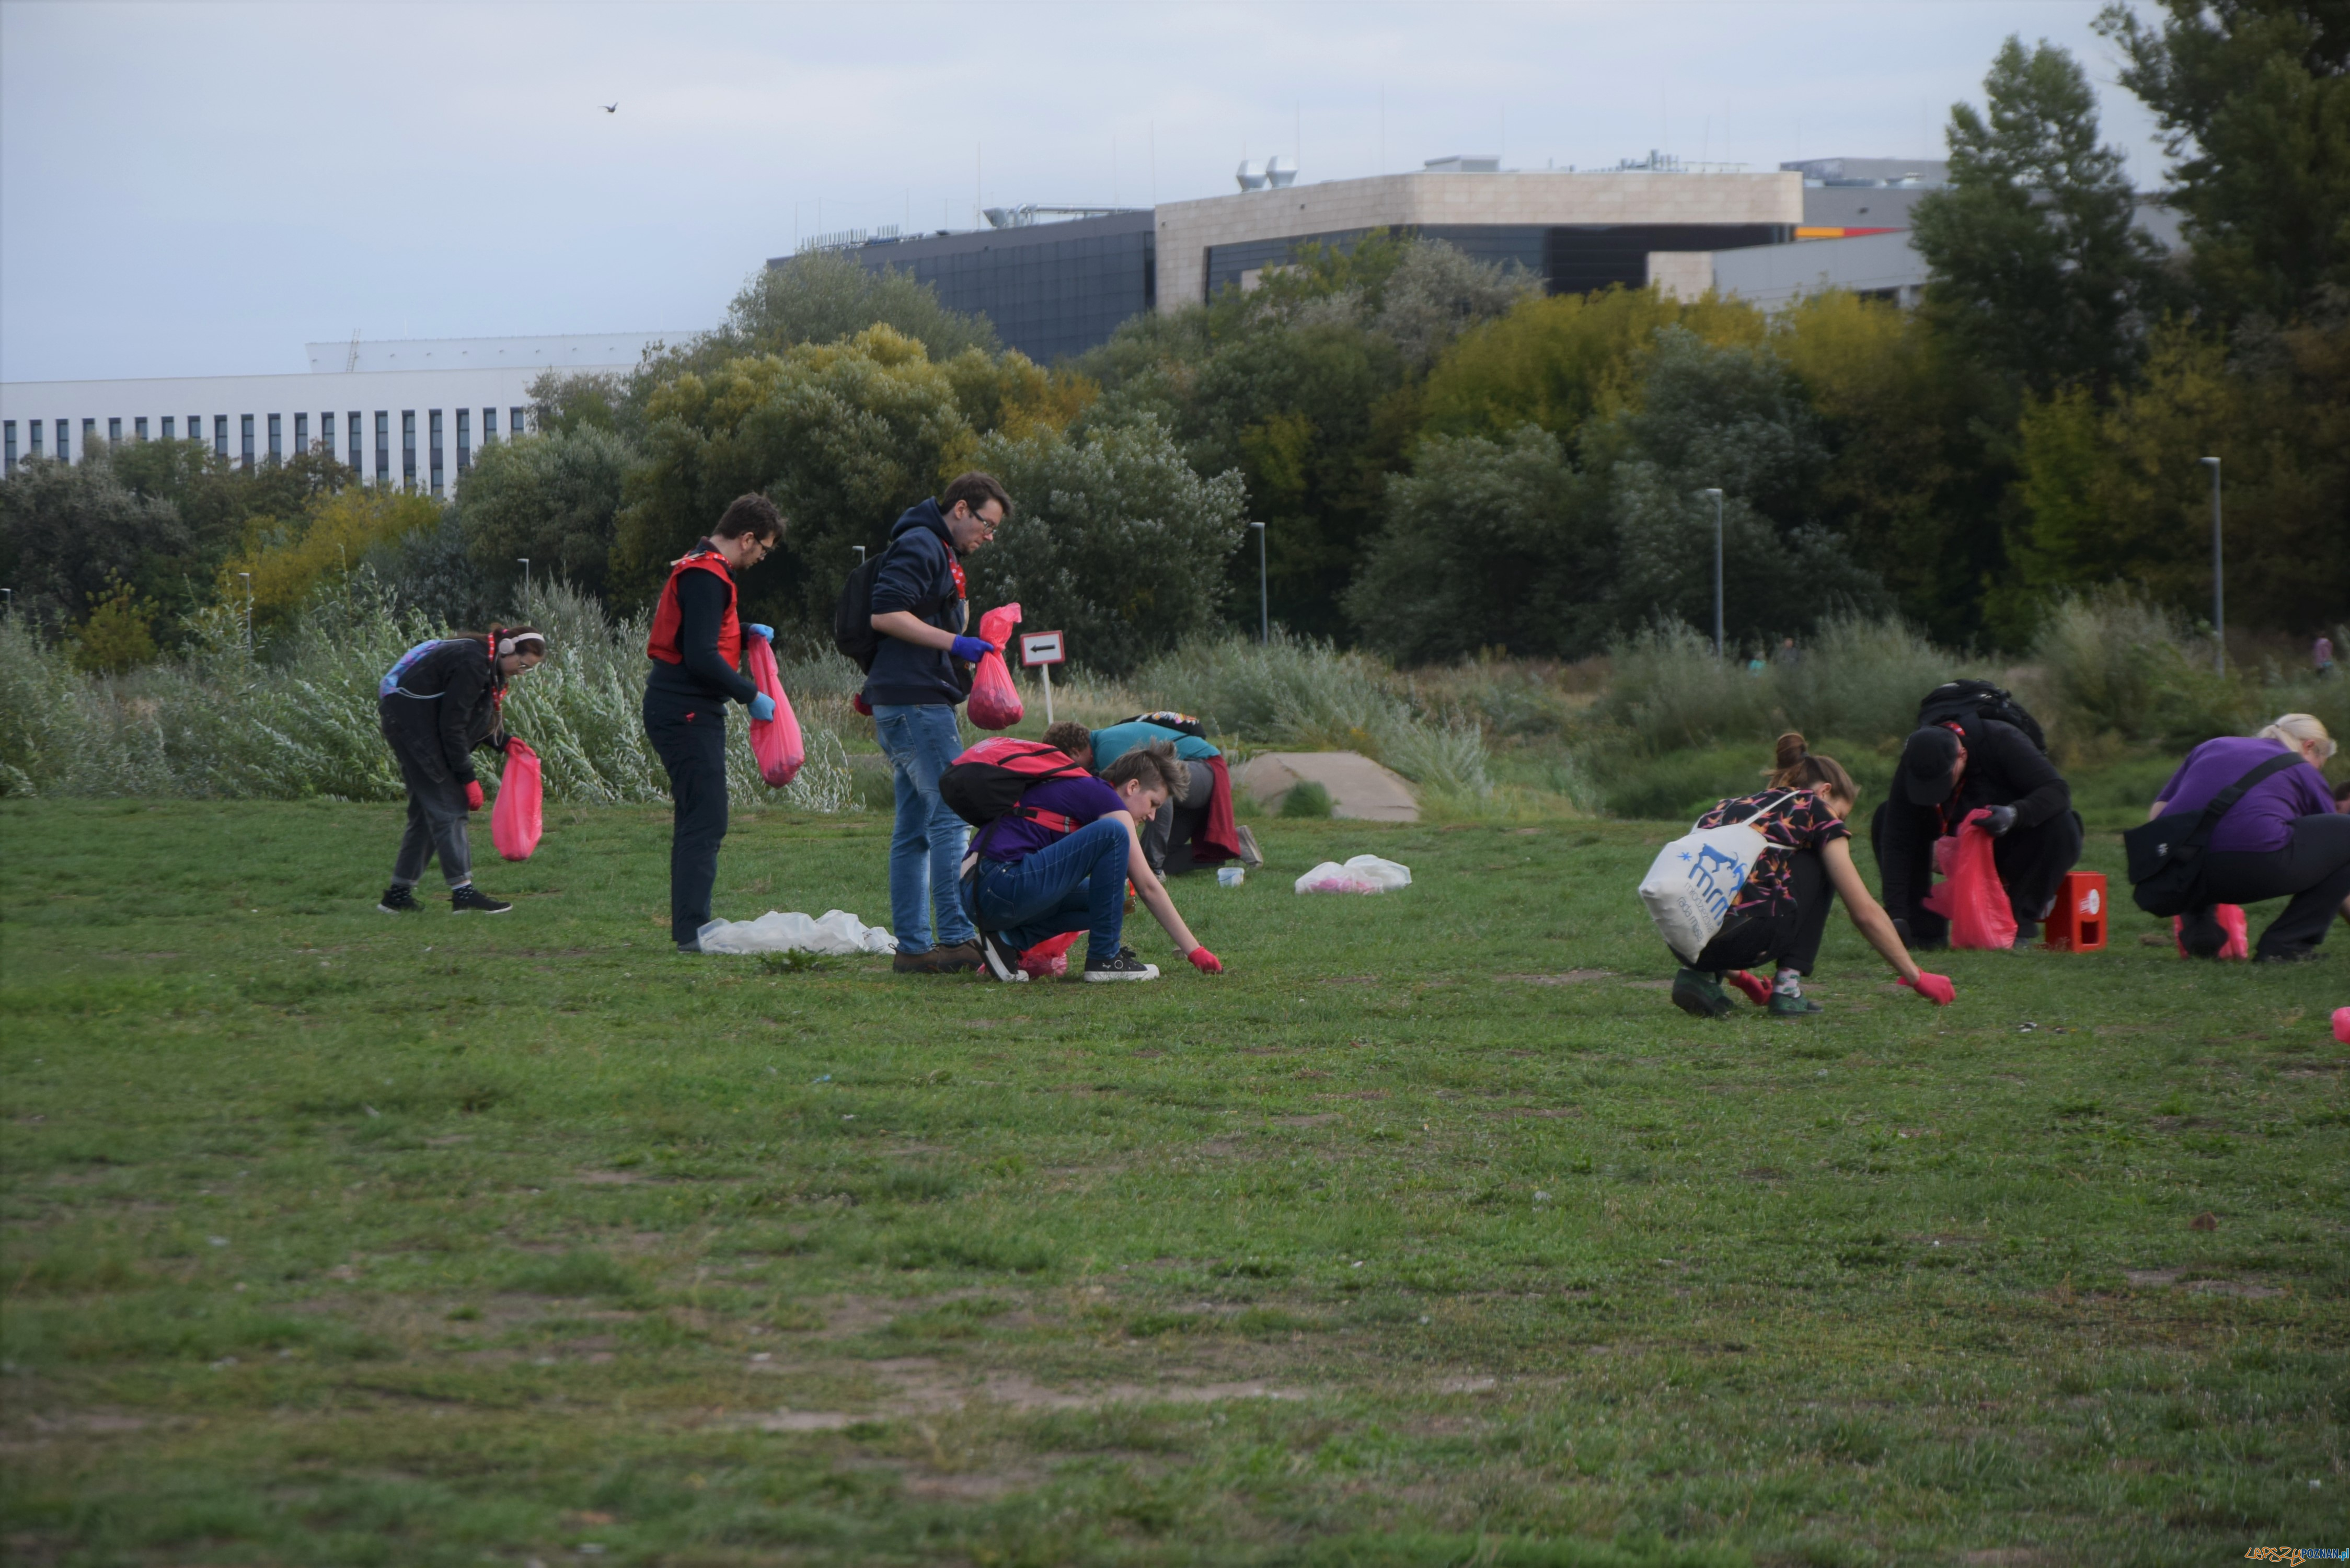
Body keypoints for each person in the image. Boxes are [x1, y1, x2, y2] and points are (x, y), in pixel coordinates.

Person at [1673, 733, 1955, 1018]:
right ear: (1824, 792)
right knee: (1823, 860)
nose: (1839, 824)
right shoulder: (1813, 808)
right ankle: (1788, 987)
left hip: (1683, 938)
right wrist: (1916, 976)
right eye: (1841, 815)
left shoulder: (1733, 806)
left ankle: (1698, 978)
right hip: (1743, 940)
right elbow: (1864, 912)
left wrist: (1743, 979)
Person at [863, 472, 1011, 974]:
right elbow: (883, 613)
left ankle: (912, 947)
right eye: (986, 525)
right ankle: (952, 938)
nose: (987, 538)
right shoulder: (924, 543)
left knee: (913, 829)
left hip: (905, 699)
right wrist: (955, 644)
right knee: (950, 814)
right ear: (962, 509)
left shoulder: (935, 546)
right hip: (916, 702)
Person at [642, 494, 784, 954]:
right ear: (746, 538)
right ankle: (693, 931)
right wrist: (750, 694)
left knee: (696, 817)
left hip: (683, 705)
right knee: (707, 818)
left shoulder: (703, 566)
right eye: (763, 549)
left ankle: (690, 927)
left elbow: (698, 638)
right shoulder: (706, 575)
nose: (762, 558)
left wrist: (745, 637)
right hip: (685, 709)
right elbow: (700, 657)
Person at [963, 739, 1222, 983]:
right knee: (1113, 833)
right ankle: (1105, 959)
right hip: (997, 883)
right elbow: (1148, 886)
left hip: (984, 891)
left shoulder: (1085, 793)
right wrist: (1195, 951)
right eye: (1153, 804)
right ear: (1132, 787)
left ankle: (1007, 943)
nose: (1153, 816)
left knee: (1109, 903)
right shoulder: (1106, 800)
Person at [1872, 706, 2083, 950]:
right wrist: (1898, 914)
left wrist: (2014, 814)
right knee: (1885, 816)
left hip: (2005, 842)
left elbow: (2058, 791)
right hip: (1945, 845)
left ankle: (2015, 927)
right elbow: (1897, 839)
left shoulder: (2002, 740)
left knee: (2064, 825)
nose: (1935, 792)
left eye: (1943, 780)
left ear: (1962, 755)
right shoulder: (1915, 758)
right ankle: (1922, 932)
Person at [376, 625, 547, 914]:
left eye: (527, 669)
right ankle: (463, 894)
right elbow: (452, 727)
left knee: (427, 812)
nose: (521, 672)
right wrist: (468, 779)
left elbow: (467, 716)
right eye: (522, 664)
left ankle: (397, 896)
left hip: (417, 725)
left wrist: (504, 742)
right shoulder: (472, 662)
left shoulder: (488, 664)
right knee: (450, 808)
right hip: (413, 728)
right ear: (507, 649)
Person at [2150, 713, 2348, 963]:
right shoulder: (2301, 769)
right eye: (2322, 761)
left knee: (2197, 840)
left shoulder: (2212, 746)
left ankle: (2203, 932)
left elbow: (2158, 815)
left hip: (2181, 873)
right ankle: (2286, 945)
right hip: (2253, 868)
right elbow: (2335, 853)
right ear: (2309, 746)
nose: (2320, 769)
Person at [1041, 717, 1261, 876]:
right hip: (1188, 782)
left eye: (1065, 762)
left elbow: (1148, 789)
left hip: (1205, 769)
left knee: (1157, 786)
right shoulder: (1098, 753)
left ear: (1074, 751)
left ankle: (1154, 869)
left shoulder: (1107, 747)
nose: (1066, 770)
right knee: (1165, 858)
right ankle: (1236, 845)